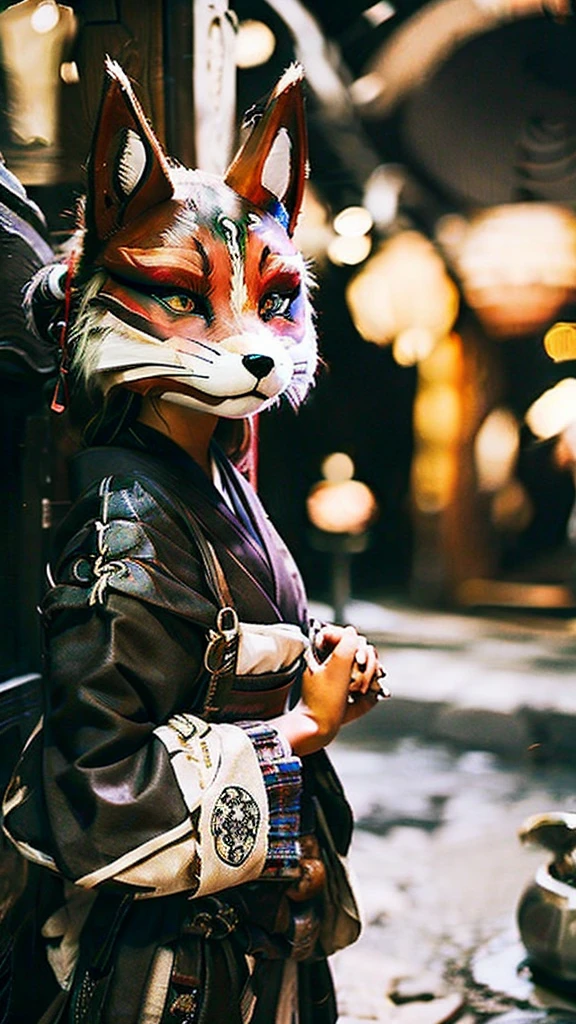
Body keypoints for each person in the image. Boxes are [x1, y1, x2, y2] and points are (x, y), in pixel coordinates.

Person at [2, 60, 385, 1024]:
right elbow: (100, 794)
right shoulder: (124, 529)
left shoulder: (213, 482)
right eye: (185, 297)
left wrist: (317, 664)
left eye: (273, 300)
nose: (250, 341)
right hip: (167, 968)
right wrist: (307, 725)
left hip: (242, 927)